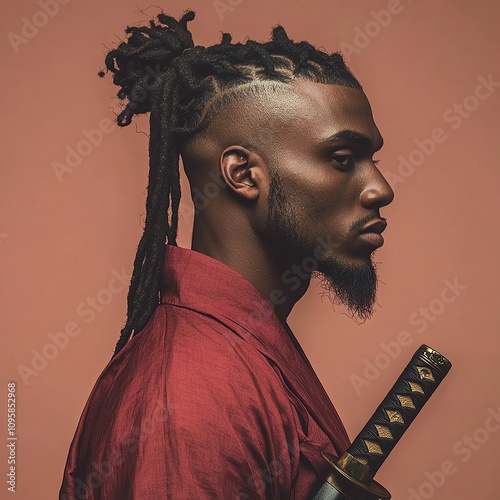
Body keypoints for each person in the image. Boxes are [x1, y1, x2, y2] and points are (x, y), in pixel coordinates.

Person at [60, 9, 394, 499]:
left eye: (374, 161)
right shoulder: (193, 398)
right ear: (242, 174)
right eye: (342, 159)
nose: (380, 189)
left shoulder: (240, 351)